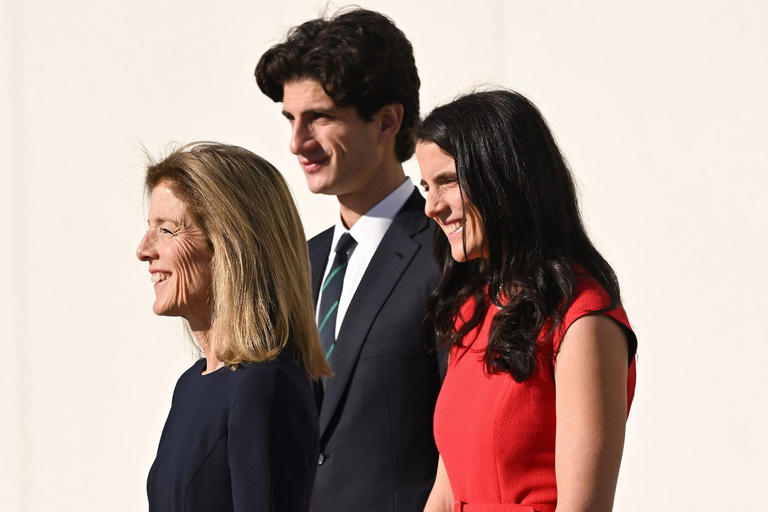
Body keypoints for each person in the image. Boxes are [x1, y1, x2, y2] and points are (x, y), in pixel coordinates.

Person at [255, 8, 442, 512]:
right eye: (291, 119)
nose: (297, 142)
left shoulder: (447, 254)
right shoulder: (295, 264)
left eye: (318, 117)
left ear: (387, 121)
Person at [415, 90, 638, 512]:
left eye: (447, 181)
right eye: (426, 186)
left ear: (503, 178)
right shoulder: (472, 309)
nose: (430, 207)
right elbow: (446, 492)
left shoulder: (583, 320)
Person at [136, 142, 330, 512]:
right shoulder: (192, 384)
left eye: (167, 230)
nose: (144, 250)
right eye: (149, 228)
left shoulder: (263, 386)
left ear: (229, 246)